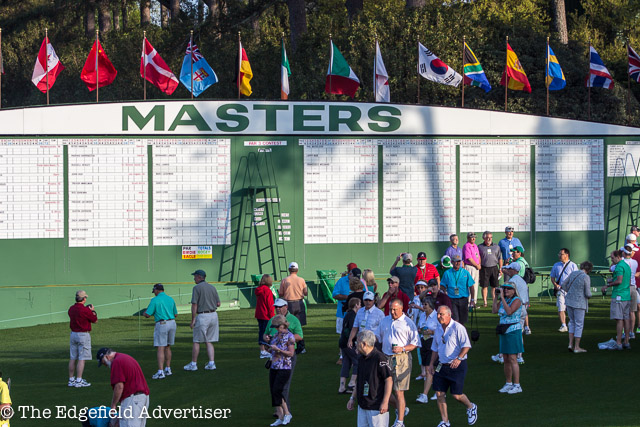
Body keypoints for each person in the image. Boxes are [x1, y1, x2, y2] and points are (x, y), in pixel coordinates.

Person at [428, 306, 477, 427]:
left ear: (449, 315)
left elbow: (466, 346)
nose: (439, 316)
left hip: (456, 366)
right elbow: (435, 348)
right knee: (439, 394)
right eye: (438, 314)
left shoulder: (458, 328)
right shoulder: (438, 329)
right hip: (441, 365)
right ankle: (445, 421)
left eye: (442, 314)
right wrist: (430, 364)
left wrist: (459, 358)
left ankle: (471, 407)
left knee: (456, 395)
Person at [375, 300, 420, 427]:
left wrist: (403, 348)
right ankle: (402, 409)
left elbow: (415, 343)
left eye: (395, 309)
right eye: (391, 309)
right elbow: (377, 336)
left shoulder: (408, 323)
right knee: (384, 391)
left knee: (398, 391)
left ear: (401, 309)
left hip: (401, 359)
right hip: (385, 358)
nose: (392, 312)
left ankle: (400, 422)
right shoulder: (385, 320)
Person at [264, 299, 304, 413]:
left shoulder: (293, 320)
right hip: (275, 357)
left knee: (283, 385)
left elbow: (299, 336)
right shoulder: (273, 320)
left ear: (286, 306)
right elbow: (265, 333)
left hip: (287, 358)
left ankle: (286, 411)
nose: (277, 308)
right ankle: (280, 412)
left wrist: (283, 341)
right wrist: (267, 338)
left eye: (280, 306)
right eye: (276, 306)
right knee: (274, 386)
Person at [346, 330, 393, 427]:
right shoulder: (361, 359)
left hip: (376, 407)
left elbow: (389, 380)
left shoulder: (380, 358)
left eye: (357, 343)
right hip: (363, 405)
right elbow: (359, 381)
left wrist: (385, 402)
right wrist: (352, 398)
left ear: (364, 344)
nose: (356, 345)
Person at [96, 348, 150, 427]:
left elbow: (119, 386)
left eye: (104, 363)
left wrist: (113, 405)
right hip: (143, 398)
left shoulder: (116, 362)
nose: (106, 366)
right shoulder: (124, 357)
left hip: (133, 399)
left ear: (106, 357)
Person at [184, 269, 221, 371]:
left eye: (195, 276)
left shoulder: (196, 288)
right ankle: (211, 363)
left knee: (196, 341)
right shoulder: (212, 287)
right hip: (213, 315)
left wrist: (193, 320)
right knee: (209, 341)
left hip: (203, 316)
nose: (194, 278)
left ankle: (193, 364)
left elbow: (194, 304)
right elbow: (218, 303)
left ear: (200, 277)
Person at [493, 282, 524, 394]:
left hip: (513, 331)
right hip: (504, 330)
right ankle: (508, 383)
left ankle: (517, 385)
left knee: (512, 358)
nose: (505, 290)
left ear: (514, 290)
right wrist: (496, 298)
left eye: (508, 289)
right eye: (504, 289)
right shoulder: (503, 300)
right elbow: (494, 310)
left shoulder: (517, 300)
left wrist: (502, 298)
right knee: (505, 358)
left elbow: (509, 311)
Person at [143, 283, 177, 380]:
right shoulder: (170, 299)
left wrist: (144, 313)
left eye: (154, 291)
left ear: (157, 290)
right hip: (172, 323)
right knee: (168, 347)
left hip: (162, 324)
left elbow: (148, 314)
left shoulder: (155, 300)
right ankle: (168, 369)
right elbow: (175, 314)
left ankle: (160, 371)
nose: (154, 293)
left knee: (160, 348)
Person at [267, 314, 295, 426]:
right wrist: (269, 347)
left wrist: (278, 350)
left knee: (277, 390)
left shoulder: (290, 336)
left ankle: (287, 413)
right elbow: (272, 350)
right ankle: (280, 416)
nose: (276, 329)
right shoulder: (275, 335)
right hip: (274, 366)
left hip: (284, 367)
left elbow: (291, 353)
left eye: (278, 327)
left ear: (283, 325)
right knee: (273, 391)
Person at [602, 250, 632, 350]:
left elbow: (619, 281)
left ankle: (618, 342)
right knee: (626, 319)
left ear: (618, 257)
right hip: (626, 295)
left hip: (619, 295)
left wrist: (607, 285)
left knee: (619, 320)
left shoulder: (619, 266)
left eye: (613, 258)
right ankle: (626, 341)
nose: (612, 259)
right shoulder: (626, 265)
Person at [68, 290, 98, 388]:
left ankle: (71, 379)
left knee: (73, 357)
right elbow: (95, 320)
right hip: (83, 335)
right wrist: (92, 310)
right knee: (82, 358)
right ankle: (79, 380)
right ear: (84, 299)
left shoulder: (71, 309)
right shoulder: (85, 310)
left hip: (73, 334)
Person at [563, 261, 593, 353]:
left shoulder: (573, 273)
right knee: (579, 324)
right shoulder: (586, 277)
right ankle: (577, 346)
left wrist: (570, 291)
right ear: (589, 269)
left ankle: (570, 344)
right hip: (579, 303)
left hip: (569, 301)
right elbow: (588, 293)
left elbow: (564, 285)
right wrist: (590, 295)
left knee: (572, 322)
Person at [333, 263, 359, 365]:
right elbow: (334, 295)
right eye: (351, 272)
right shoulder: (341, 281)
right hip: (342, 314)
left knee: (356, 335)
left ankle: (355, 355)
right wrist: (347, 297)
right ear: (349, 272)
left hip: (356, 315)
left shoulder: (360, 282)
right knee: (342, 335)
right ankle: (342, 356)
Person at [415, 295, 438, 404]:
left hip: (433, 343)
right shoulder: (422, 316)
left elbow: (441, 330)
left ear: (431, 306)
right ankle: (437, 390)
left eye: (425, 304)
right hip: (424, 342)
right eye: (423, 304)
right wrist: (420, 330)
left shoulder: (437, 316)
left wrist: (432, 332)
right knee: (430, 369)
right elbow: (419, 327)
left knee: (429, 369)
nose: (423, 306)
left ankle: (424, 395)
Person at [439, 255, 475, 325]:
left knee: (463, 321)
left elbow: (471, 286)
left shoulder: (465, 273)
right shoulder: (447, 273)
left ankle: (462, 334)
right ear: (452, 262)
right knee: (455, 320)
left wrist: (472, 300)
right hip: (452, 299)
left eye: (459, 261)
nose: (458, 263)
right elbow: (442, 285)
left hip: (463, 299)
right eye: (456, 261)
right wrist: (445, 292)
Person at [550, 248, 578, 333]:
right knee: (561, 307)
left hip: (570, 290)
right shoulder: (556, 265)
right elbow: (552, 277)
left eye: (561, 254)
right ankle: (563, 325)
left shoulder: (573, 265)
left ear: (566, 255)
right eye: (559, 254)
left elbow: (576, 278)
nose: (559, 255)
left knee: (571, 308)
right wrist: (555, 285)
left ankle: (571, 323)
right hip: (560, 290)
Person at [339, 298, 362, 393]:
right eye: (360, 304)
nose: (360, 306)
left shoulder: (347, 314)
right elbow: (353, 329)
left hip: (342, 342)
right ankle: (352, 382)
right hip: (349, 342)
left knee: (346, 362)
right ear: (356, 305)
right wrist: (353, 340)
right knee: (357, 361)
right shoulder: (353, 316)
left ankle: (342, 386)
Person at [478, 231, 503, 307]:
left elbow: (500, 258)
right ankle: (485, 302)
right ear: (484, 238)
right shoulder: (479, 247)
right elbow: (478, 258)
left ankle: (494, 302)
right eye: (487, 237)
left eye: (490, 237)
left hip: (494, 268)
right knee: (484, 286)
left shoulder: (496, 247)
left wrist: (500, 268)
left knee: (494, 286)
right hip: (484, 268)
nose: (489, 239)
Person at [279, 262, 308, 326]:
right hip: (299, 303)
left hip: (288, 303)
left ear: (289, 269)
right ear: (297, 270)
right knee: (299, 324)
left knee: (289, 323)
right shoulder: (301, 280)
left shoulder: (284, 280)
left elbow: (280, 293)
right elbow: (306, 293)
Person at [255, 274, 276, 359]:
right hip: (266, 315)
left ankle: (264, 349)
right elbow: (270, 305)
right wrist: (272, 316)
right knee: (266, 332)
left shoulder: (258, 290)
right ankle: (264, 351)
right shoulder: (267, 291)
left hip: (259, 314)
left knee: (262, 331)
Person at [621, 243, 638, 340]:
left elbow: (612, 268)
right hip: (633, 288)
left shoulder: (622, 262)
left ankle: (625, 332)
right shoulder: (635, 262)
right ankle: (631, 332)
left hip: (625, 288)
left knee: (624, 312)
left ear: (624, 252)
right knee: (632, 312)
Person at [462, 232, 481, 305]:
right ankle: (468, 302)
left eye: (474, 237)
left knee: (475, 284)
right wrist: (477, 265)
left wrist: (479, 264)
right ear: (468, 238)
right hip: (470, 267)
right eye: (471, 237)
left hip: (476, 267)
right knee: (470, 285)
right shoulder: (467, 246)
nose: (473, 238)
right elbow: (469, 258)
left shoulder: (475, 246)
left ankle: (474, 302)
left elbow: (478, 256)